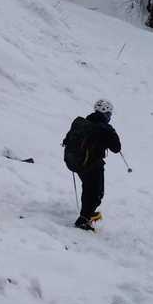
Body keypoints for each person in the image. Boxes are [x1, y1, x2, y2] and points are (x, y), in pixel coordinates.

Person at [63, 98, 121, 230]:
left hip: (78, 162)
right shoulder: (105, 128)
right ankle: (84, 219)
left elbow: (67, 139)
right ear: (106, 114)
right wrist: (111, 132)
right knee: (96, 192)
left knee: (88, 188)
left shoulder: (83, 122)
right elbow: (116, 148)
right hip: (93, 164)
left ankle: (87, 212)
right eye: (110, 114)